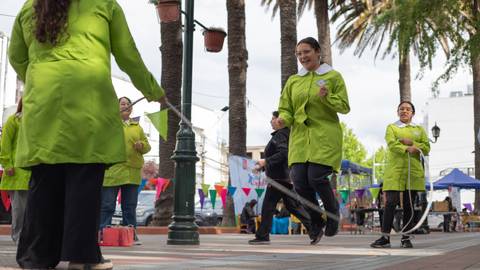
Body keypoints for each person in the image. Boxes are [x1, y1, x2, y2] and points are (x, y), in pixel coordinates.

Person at [8, 0, 166, 269]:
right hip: (89, 103)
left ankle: (36, 257)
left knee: (44, 180)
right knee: (84, 180)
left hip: (44, 104)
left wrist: (38, 76)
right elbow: (127, 54)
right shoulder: (104, 5)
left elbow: (16, 56)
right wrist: (152, 89)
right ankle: (82, 258)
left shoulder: (30, 6)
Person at [275, 37, 350, 243]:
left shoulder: (333, 76)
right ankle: (316, 221)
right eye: (298, 54)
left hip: (324, 135)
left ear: (318, 52)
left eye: (306, 52)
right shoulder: (293, 81)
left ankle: (333, 212)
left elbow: (344, 106)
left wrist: (327, 97)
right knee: (299, 181)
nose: (302, 57)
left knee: (316, 177)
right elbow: (286, 109)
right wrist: (282, 120)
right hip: (299, 138)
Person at [371, 101, 430, 249]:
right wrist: (407, 148)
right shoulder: (391, 127)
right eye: (401, 109)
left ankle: (406, 238)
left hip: (413, 171)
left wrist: (412, 143)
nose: (404, 111)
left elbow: (427, 147)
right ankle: (385, 238)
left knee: (409, 205)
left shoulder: (419, 130)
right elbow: (392, 144)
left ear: (412, 113)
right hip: (395, 171)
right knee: (390, 202)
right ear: (398, 112)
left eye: (408, 109)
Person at [248, 111, 312, 245]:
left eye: (273, 118)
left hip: (278, 179)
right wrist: (263, 167)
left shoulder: (280, 135)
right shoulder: (284, 134)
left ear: (280, 120)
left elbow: (284, 154)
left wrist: (265, 162)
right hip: (283, 177)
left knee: (268, 207)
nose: (270, 121)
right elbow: (281, 157)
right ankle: (315, 229)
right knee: (293, 206)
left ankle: (263, 236)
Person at [99, 97, 151, 245]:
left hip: (132, 172)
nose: (126, 106)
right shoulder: (109, 124)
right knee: (107, 205)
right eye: (123, 104)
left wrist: (142, 145)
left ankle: (131, 235)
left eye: (129, 104)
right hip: (113, 171)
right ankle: (102, 233)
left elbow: (147, 147)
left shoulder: (137, 127)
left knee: (129, 206)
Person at [0, 99, 31, 244]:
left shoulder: (36, 123)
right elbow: (4, 145)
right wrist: (7, 164)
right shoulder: (13, 121)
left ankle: (28, 238)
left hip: (32, 173)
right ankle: (19, 238)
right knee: (19, 210)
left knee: (31, 210)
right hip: (17, 173)